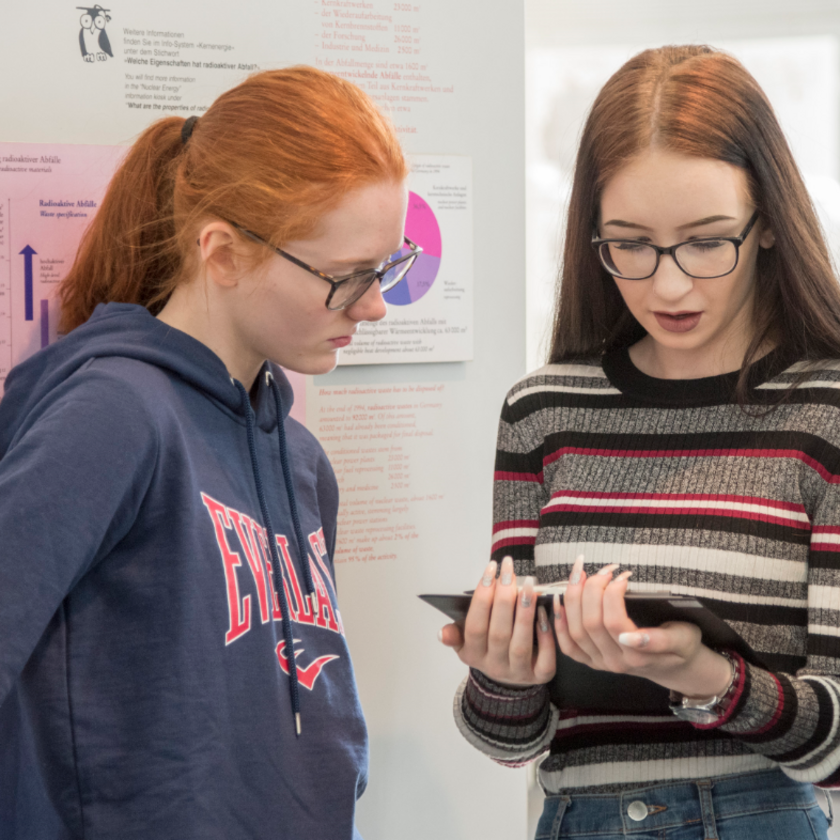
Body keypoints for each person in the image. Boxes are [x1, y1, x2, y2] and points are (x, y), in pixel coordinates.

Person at [0, 67, 418, 839]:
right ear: (223, 253)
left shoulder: (301, 462)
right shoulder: (115, 416)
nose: (374, 305)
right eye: (346, 277)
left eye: (387, 266)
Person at [440, 45, 840, 839]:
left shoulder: (823, 411)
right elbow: (509, 741)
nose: (668, 285)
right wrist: (503, 678)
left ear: (767, 226)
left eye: (706, 241)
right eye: (630, 243)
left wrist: (707, 678)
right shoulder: (542, 412)